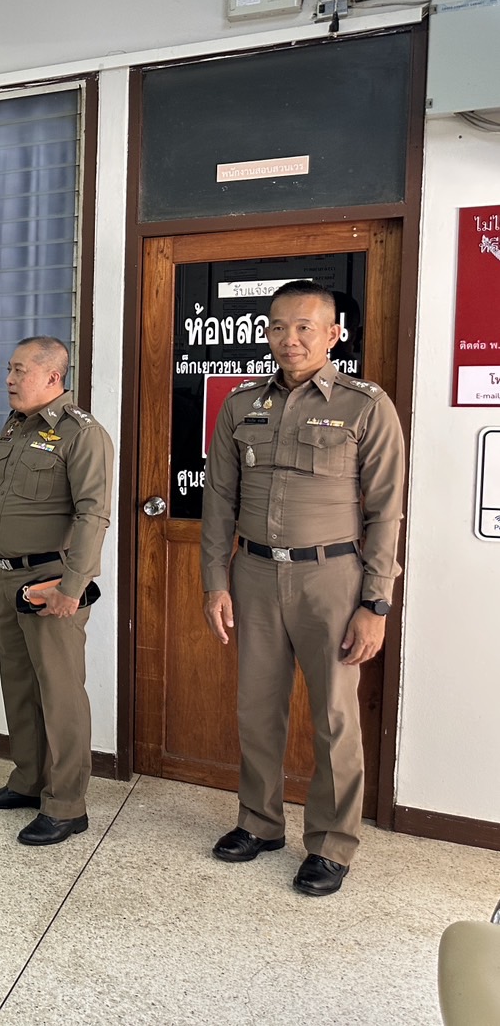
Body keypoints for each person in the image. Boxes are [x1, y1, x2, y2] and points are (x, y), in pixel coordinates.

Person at [201, 280, 405, 897]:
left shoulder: (366, 406)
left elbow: (386, 512)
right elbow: (220, 501)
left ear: (334, 334)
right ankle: (259, 823)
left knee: (334, 717)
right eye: (277, 327)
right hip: (256, 574)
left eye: (304, 327)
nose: (288, 339)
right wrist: (215, 581)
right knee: (257, 709)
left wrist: (375, 604)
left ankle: (331, 845)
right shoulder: (242, 403)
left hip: (332, 579)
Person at [0, 336, 112, 846]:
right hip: (8, 574)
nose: (9, 380)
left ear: (53, 377)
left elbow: (93, 515)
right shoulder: (17, 426)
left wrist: (73, 586)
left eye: (19, 371)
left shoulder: (82, 433)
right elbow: (1, 501)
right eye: (9, 370)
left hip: (50, 580)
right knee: (19, 685)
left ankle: (66, 805)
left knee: (59, 693)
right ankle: (29, 781)